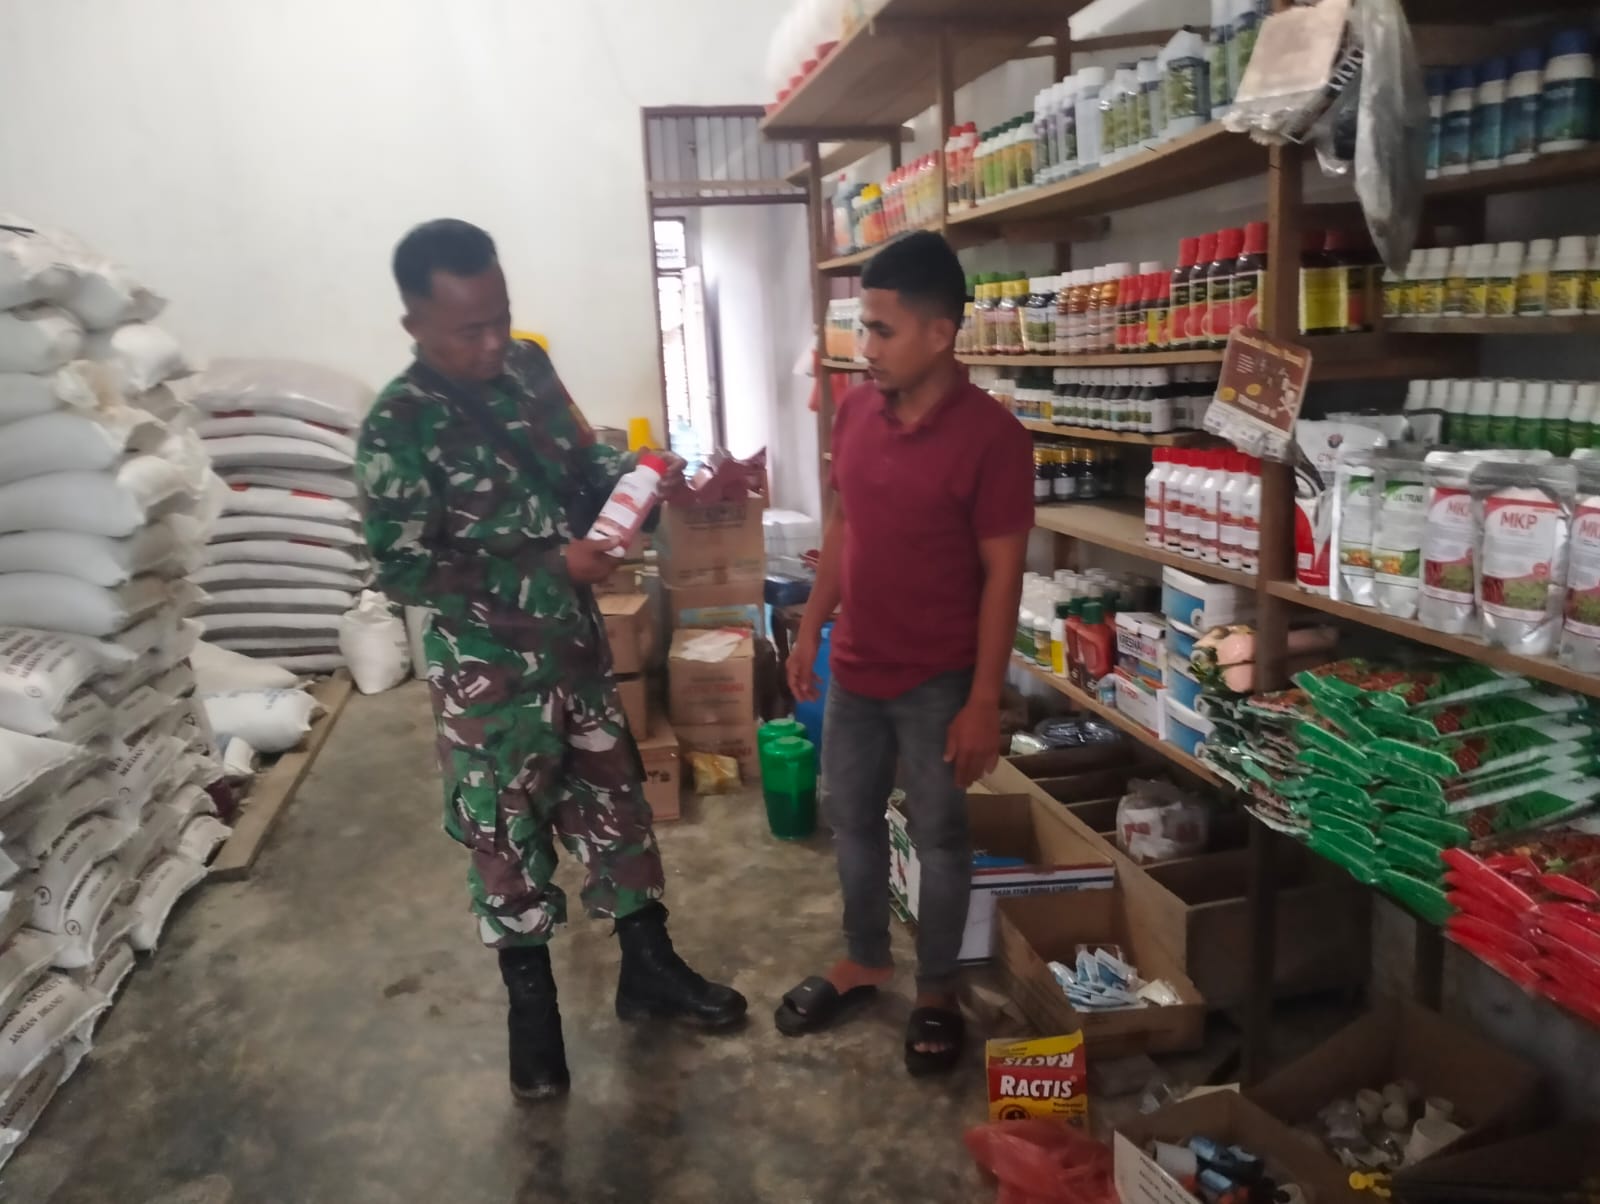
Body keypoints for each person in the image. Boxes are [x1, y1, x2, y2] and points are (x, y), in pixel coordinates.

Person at [356, 219, 747, 1103]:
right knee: (506, 835)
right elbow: (404, 569)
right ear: (414, 324)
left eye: (501, 317)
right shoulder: (397, 427)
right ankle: (531, 1012)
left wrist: (640, 477)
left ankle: (648, 968)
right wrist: (544, 567)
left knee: (616, 802)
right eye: (469, 330)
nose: (494, 342)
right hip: (488, 679)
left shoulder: (529, 369)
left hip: (573, 649)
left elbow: (581, 459)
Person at [775, 230, 1032, 1075]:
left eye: (881, 330)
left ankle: (937, 988)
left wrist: (983, 700)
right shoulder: (856, 412)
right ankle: (865, 958)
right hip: (855, 666)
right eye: (862, 327)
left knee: (940, 835)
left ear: (940, 333)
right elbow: (843, 525)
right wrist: (811, 628)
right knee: (849, 819)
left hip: (938, 681)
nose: (865, 346)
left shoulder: (994, 439)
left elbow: (1003, 577)